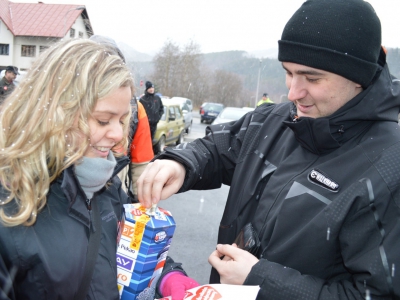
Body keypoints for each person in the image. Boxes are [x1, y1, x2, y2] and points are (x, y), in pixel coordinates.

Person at [136, 0, 400, 299]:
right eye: (289, 72)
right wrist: (181, 163)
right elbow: (217, 149)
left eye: (312, 78)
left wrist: (259, 280)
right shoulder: (273, 120)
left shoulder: (390, 168)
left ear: (359, 77)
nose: (293, 92)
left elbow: (376, 294)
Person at [0, 38, 134, 299]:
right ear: (55, 111)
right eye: (103, 120)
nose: (118, 134)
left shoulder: (108, 186)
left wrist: (168, 275)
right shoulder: (9, 203)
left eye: (122, 119)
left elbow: (131, 251)